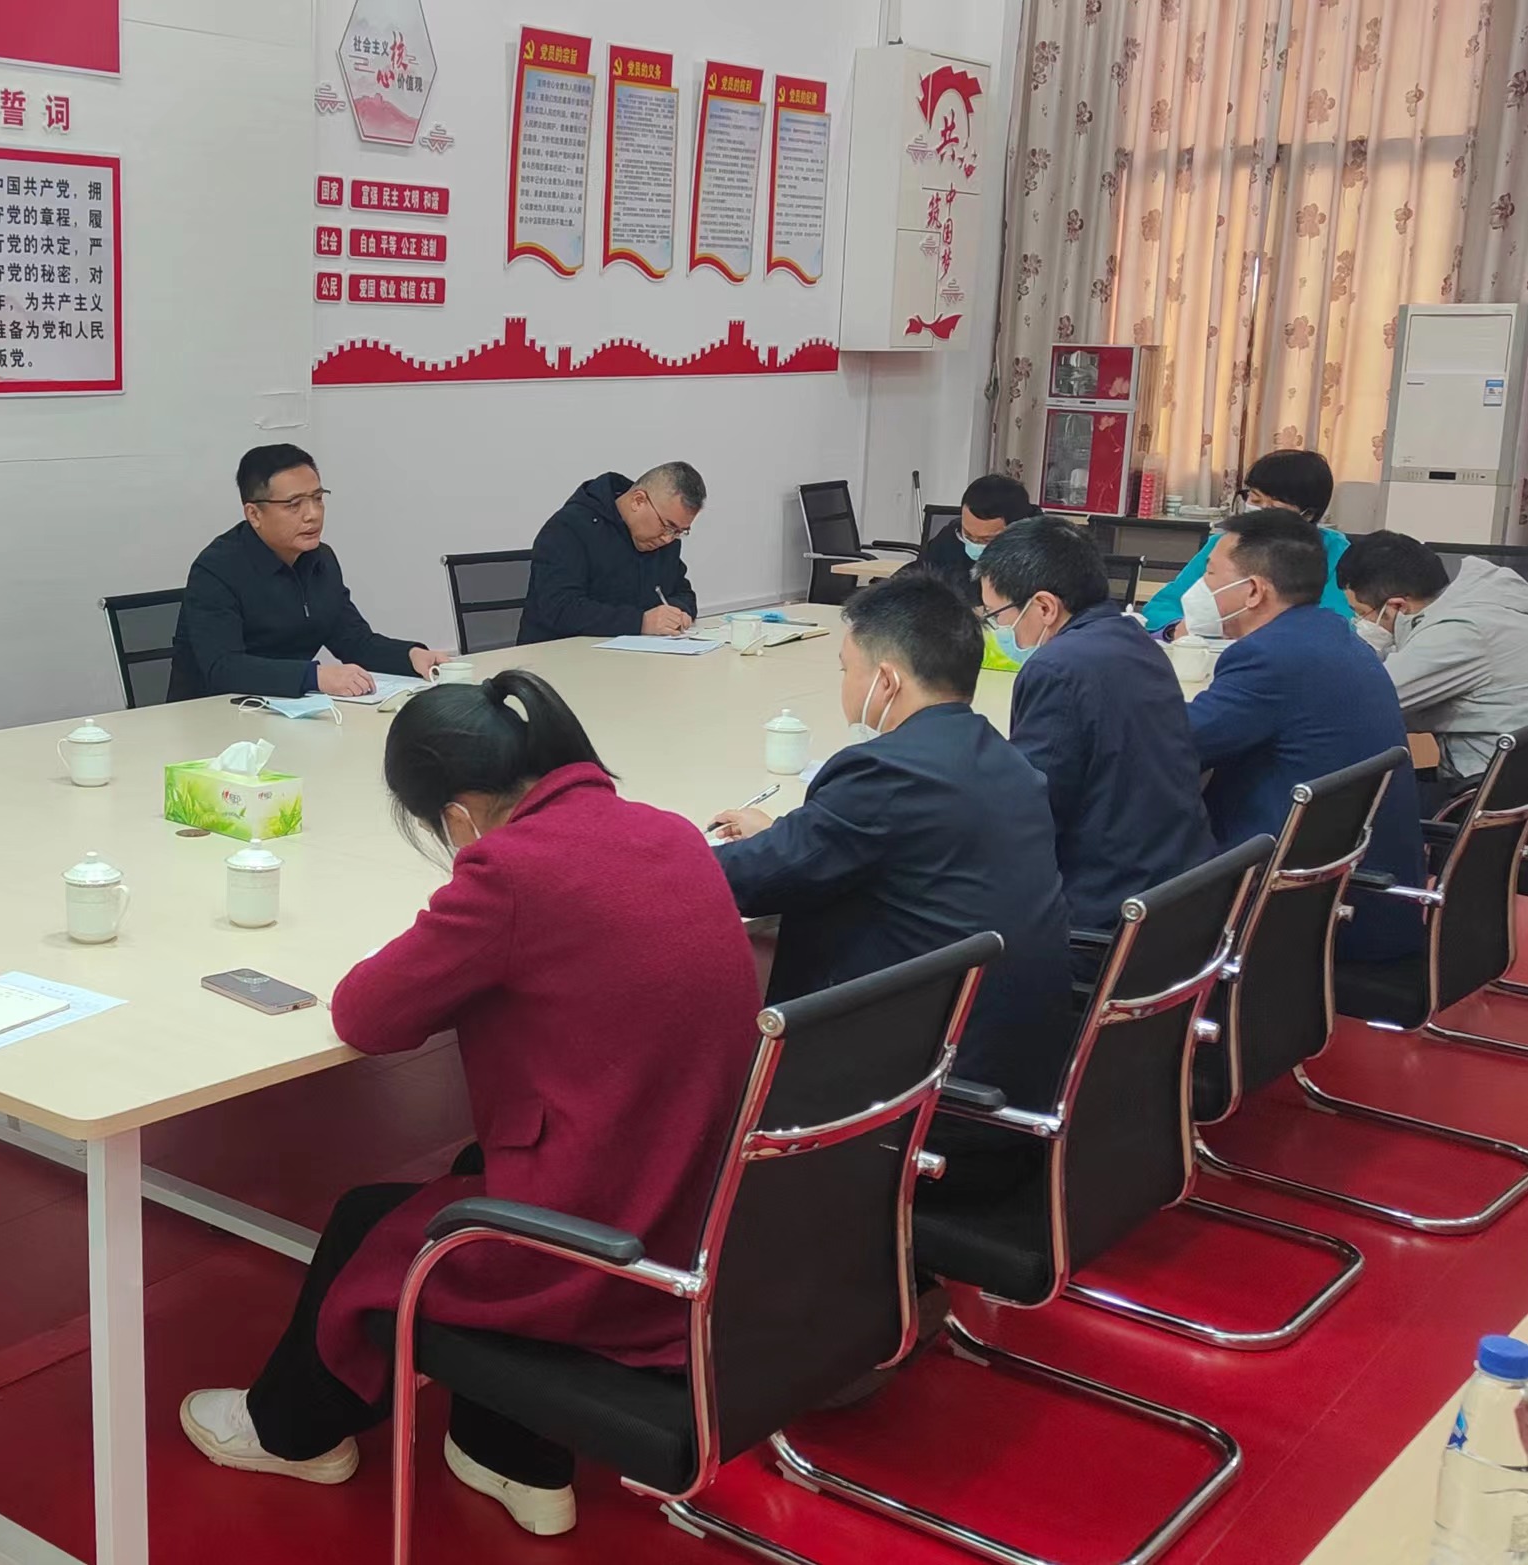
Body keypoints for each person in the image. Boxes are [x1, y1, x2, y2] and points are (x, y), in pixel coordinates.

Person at [179, 671, 762, 1538]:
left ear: (457, 814)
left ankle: (290, 1431)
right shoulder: (666, 831)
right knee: (470, 1167)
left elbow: (368, 1016)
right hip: (705, 1209)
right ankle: (512, 1453)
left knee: (365, 1222)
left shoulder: (512, 868)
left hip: (610, 1237)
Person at [710, 572, 1073, 1111]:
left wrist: (661, 848)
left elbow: (751, 880)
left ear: (886, 681)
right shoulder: (1004, 759)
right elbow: (847, 842)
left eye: (846, 669)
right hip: (1018, 1066)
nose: (844, 685)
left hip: (918, 1091)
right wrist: (787, 833)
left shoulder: (884, 773)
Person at [1185, 510, 1424, 961]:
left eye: (1210, 573)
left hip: (1298, 907)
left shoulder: (1270, 657)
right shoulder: (1335, 637)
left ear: (1253, 590)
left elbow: (1176, 744)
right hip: (1359, 889)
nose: (1201, 586)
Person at [977, 517, 1213, 936]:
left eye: (999, 614)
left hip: (1104, 909)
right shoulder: (1137, 640)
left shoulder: (1058, 667)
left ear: (1044, 607)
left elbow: (1033, 813)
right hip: (1176, 894)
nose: (1000, 628)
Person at [169, 445, 447, 700]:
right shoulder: (216, 570)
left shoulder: (320, 560)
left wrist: (410, 656)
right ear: (254, 514)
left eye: (317, 498)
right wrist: (314, 677)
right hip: (213, 716)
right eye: (294, 505)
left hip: (290, 710)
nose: (312, 514)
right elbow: (224, 668)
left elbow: (355, 641)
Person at [1336, 531, 1528, 812]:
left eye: (1360, 613)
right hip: (1507, 787)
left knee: (1356, 808)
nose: (1358, 622)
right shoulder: (1487, 601)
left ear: (1398, 606)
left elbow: (1363, 703)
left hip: (1481, 798)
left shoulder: (1458, 633)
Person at [1143, 449, 1353, 635]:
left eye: (1275, 506)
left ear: (1308, 514)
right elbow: (1163, 606)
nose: (1261, 511)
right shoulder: (1225, 544)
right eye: (1255, 499)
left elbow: (1339, 625)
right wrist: (1175, 630)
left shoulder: (1335, 553)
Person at [518, 462, 704, 643]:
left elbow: (683, 592)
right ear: (638, 501)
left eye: (680, 531)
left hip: (637, 654)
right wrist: (640, 622)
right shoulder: (568, 528)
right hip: (559, 654)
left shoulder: (664, 539)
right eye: (668, 526)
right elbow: (560, 609)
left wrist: (678, 612)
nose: (668, 538)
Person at [915, 473, 1039, 606]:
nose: (974, 544)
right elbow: (917, 576)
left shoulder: (1040, 556)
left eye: (986, 540)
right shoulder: (950, 537)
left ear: (1016, 531)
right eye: (967, 535)